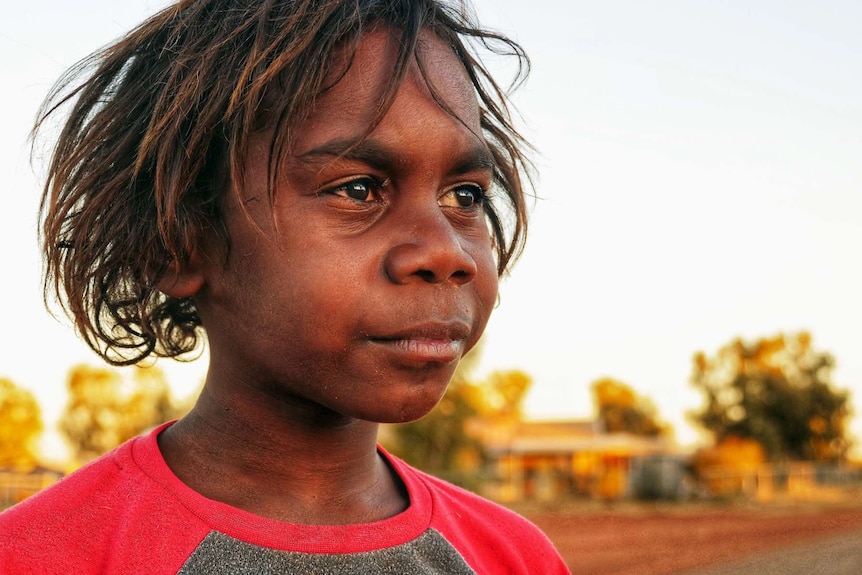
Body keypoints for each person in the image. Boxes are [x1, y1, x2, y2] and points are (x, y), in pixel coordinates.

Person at [0, 0, 569, 572]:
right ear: (175, 240)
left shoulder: (514, 557)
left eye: (465, 196)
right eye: (358, 189)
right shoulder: (37, 555)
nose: (445, 251)